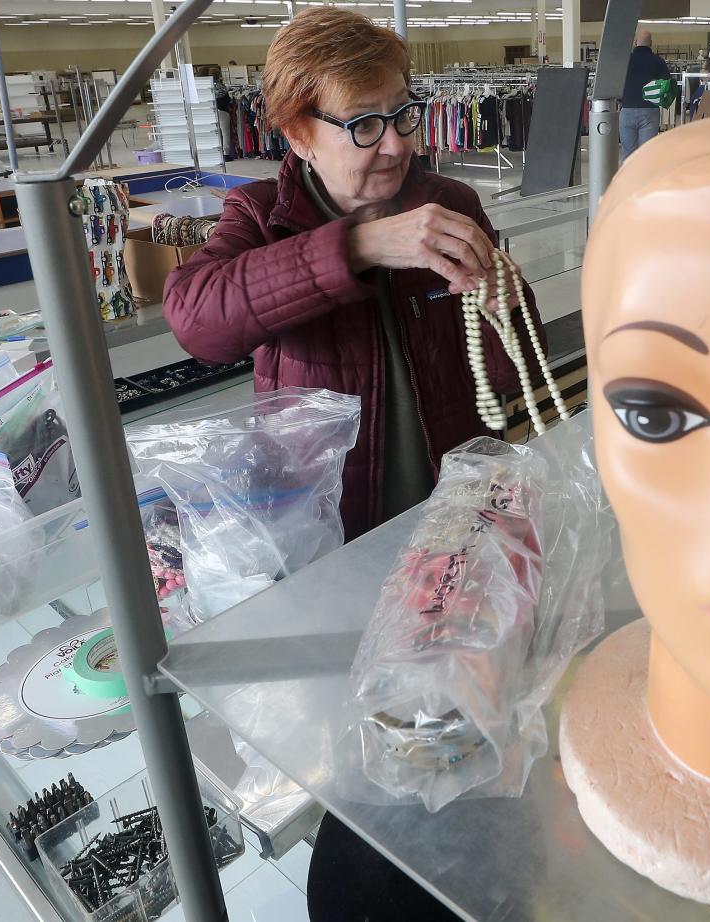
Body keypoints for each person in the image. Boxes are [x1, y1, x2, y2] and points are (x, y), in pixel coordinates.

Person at [164, 12, 544, 916]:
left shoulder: (450, 201)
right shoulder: (259, 216)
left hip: (447, 541)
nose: (394, 143)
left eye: (403, 113)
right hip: (336, 553)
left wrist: (498, 296)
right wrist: (363, 245)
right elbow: (199, 316)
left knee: (467, 736)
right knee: (362, 769)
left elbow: (506, 361)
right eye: (362, 122)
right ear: (297, 130)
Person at [619, 29, 671, 161]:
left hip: (627, 110)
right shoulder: (658, 61)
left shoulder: (624, 60)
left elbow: (615, 83)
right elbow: (667, 86)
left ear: (635, 42)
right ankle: (645, 181)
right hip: (649, 110)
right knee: (647, 154)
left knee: (628, 154)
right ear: (651, 43)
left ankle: (628, 180)